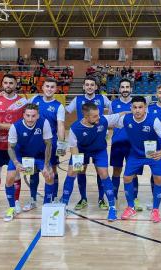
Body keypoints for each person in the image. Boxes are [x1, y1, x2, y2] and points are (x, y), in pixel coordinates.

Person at [61, 103, 124, 221]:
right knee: (71, 173)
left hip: (99, 150)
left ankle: (112, 207)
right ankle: (63, 205)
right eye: (95, 116)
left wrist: (133, 112)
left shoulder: (103, 120)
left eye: (98, 115)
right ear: (86, 117)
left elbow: (120, 115)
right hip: (81, 151)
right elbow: (73, 147)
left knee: (104, 174)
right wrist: (77, 164)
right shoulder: (75, 128)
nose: (98, 117)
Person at [118, 96, 161, 223]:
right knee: (126, 177)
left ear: (145, 108)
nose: (137, 110)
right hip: (136, 154)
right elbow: (109, 121)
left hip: (153, 154)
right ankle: (131, 207)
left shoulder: (153, 120)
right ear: (131, 108)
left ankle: (155, 210)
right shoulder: (125, 118)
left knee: (158, 178)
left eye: (140, 107)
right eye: (134, 107)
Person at [65, 76, 111, 210]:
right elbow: (66, 111)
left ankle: (101, 199)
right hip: (82, 141)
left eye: (92, 85)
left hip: (97, 139)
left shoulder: (103, 98)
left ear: (96, 87)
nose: (90, 87)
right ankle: (83, 198)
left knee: (100, 171)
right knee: (80, 170)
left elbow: (113, 108)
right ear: (84, 87)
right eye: (87, 85)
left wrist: (106, 128)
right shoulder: (77, 100)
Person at [3, 103, 53, 222]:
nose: (30, 119)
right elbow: (10, 147)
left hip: (39, 155)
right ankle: (11, 208)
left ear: (38, 116)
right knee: (10, 178)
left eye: (33, 116)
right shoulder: (15, 127)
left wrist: (46, 165)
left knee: (50, 175)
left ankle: (46, 206)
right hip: (20, 156)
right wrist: (16, 163)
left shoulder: (44, 123)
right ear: (23, 115)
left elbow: (49, 144)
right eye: (28, 115)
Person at [24, 77, 66, 209]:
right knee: (32, 170)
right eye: (47, 86)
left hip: (50, 143)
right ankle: (32, 199)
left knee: (52, 170)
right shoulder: (34, 100)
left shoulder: (59, 106)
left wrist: (61, 143)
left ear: (56, 89)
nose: (49, 89)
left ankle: (53, 198)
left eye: (52, 87)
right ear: (42, 87)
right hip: (32, 142)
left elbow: (60, 125)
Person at [0, 74, 25, 214]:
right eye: (6, 83)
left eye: (11, 83)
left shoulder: (22, 102)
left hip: (14, 145)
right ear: (2, 84)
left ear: (16, 84)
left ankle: (15, 202)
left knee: (15, 175)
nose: (8, 85)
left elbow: (24, 123)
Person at [109, 78, 142, 210]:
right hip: (117, 143)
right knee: (117, 171)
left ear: (131, 89)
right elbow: (110, 122)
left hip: (133, 144)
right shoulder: (114, 104)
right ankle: (114, 197)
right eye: (122, 87)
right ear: (119, 89)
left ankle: (134, 199)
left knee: (132, 172)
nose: (125, 90)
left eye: (127, 87)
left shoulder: (137, 104)